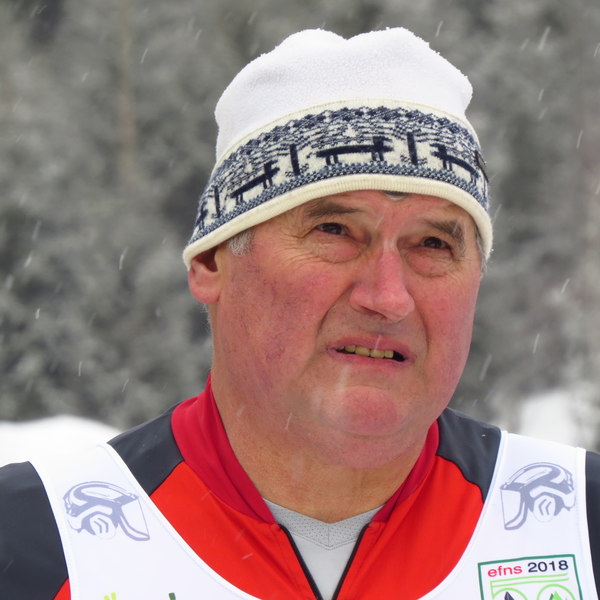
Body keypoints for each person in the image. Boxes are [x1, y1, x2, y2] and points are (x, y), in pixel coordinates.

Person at [1, 27, 599, 600]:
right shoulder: (33, 542)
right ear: (211, 261)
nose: (388, 296)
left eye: (433, 244)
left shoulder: (580, 527)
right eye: (334, 230)